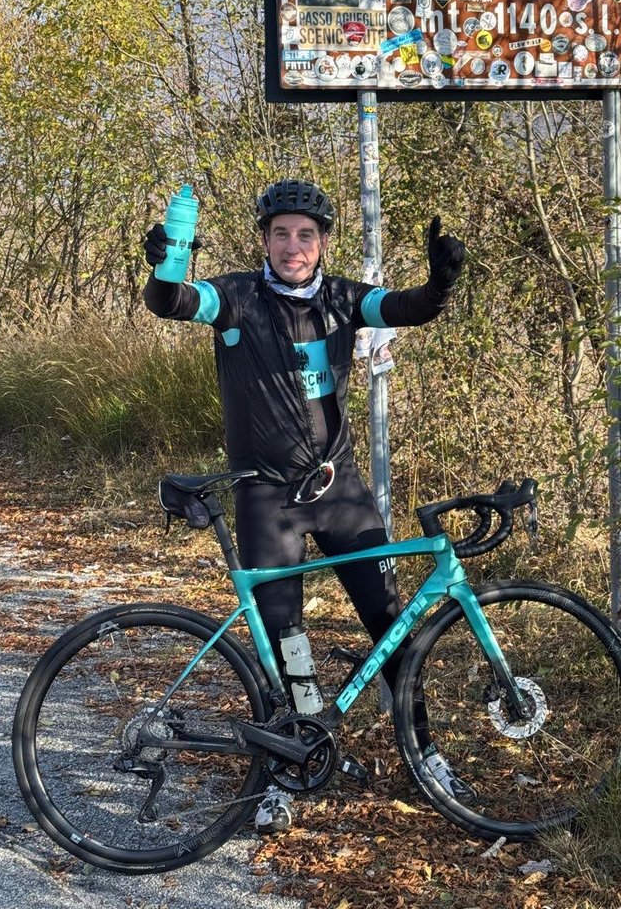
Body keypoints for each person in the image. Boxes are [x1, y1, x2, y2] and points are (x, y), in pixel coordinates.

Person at [142, 177, 469, 835]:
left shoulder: (345, 299)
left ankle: (426, 755)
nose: (294, 246)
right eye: (282, 234)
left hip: (340, 491)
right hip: (267, 497)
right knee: (284, 641)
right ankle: (283, 769)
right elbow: (171, 301)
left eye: (306, 235)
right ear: (264, 240)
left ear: (321, 243)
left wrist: (439, 283)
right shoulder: (236, 297)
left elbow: (405, 307)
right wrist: (167, 261)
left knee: (390, 623)